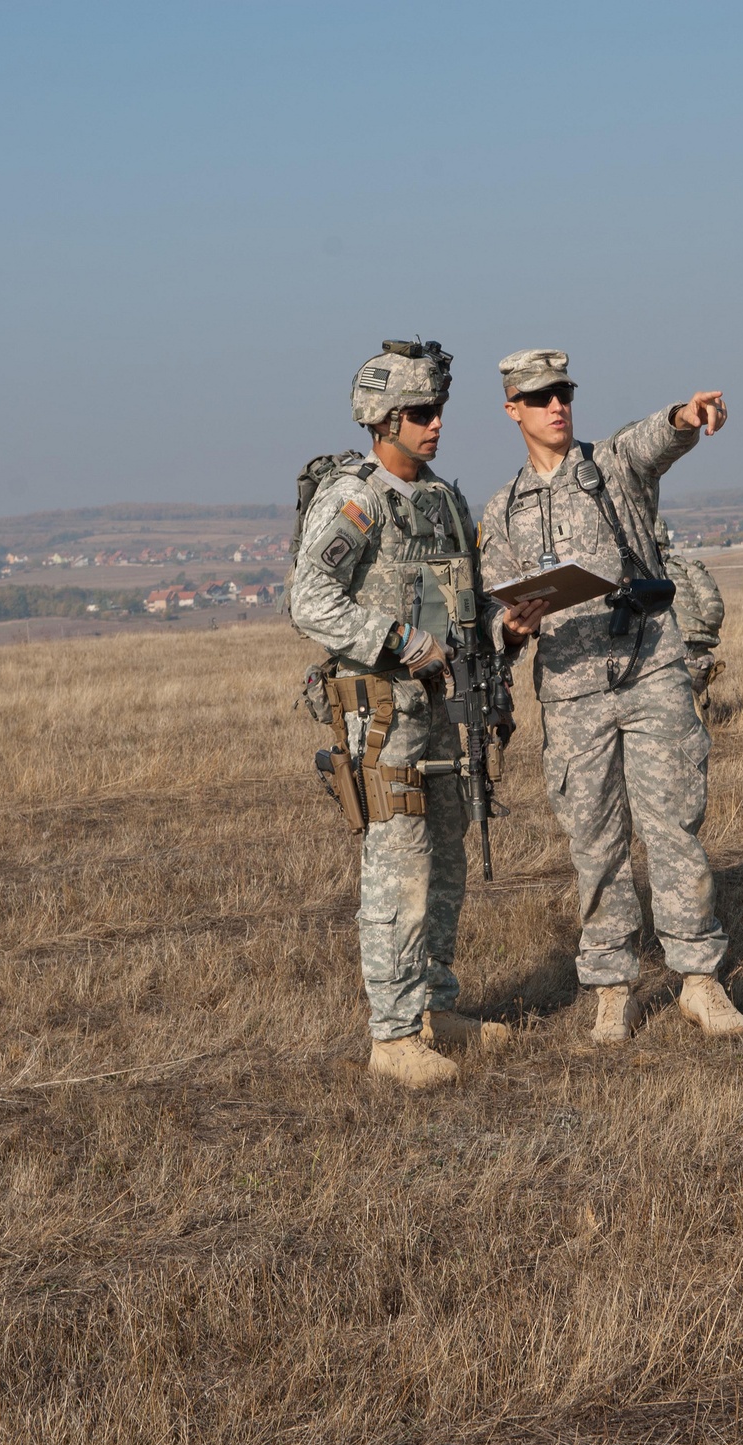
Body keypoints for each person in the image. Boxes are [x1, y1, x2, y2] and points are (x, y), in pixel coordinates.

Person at [484, 349, 743, 1041]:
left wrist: (687, 416)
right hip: (571, 694)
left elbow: (655, 439)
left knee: (673, 829)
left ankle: (699, 979)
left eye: (564, 392)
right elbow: (496, 617)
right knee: (595, 847)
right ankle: (611, 987)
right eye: (540, 397)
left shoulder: (612, 465)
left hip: (650, 668)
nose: (557, 406)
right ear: (513, 407)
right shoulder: (503, 510)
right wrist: (511, 628)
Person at [290, 340, 528, 1090]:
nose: (435, 426)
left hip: (449, 708)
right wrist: (396, 641)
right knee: (400, 868)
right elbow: (310, 600)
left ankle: (434, 1006)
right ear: (381, 420)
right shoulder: (355, 500)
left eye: (438, 412)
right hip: (386, 710)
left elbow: (466, 601)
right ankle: (392, 1036)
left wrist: (500, 625)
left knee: (449, 858)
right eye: (420, 414)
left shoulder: (445, 501)